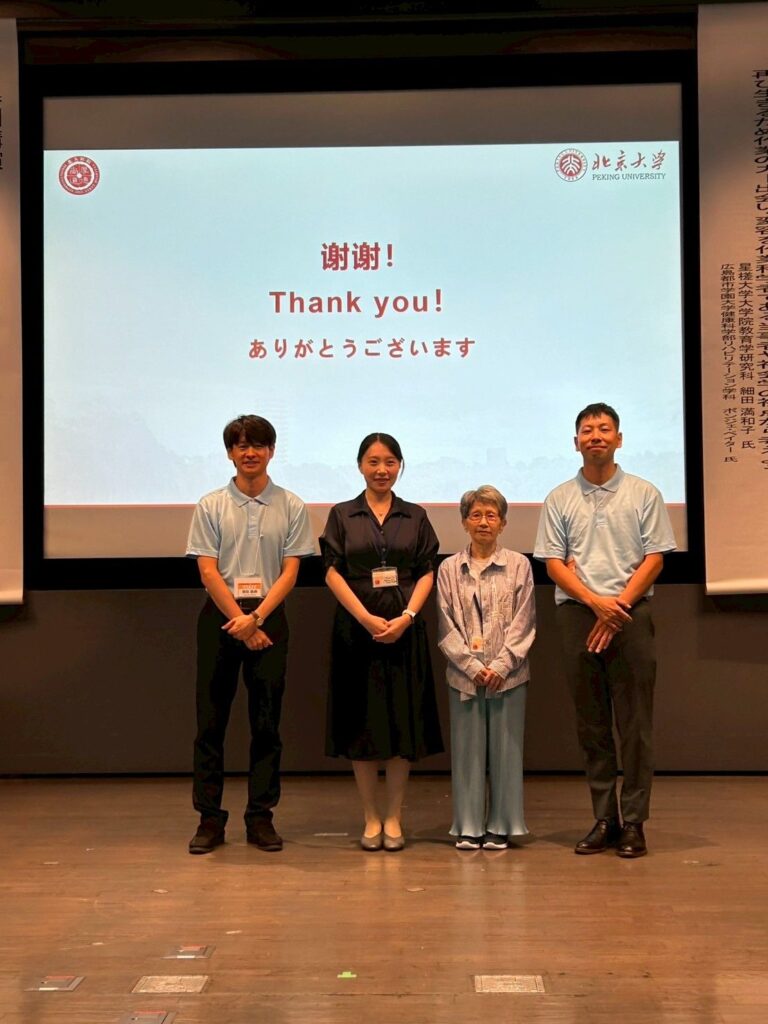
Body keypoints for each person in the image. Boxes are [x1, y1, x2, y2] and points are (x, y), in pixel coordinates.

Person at [534, 402, 676, 858]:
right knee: (591, 724)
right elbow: (553, 564)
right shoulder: (559, 498)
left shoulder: (644, 493)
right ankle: (604, 818)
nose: (595, 436)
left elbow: (655, 557)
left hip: (631, 614)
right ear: (575, 442)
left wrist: (618, 607)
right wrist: (596, 604)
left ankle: (634, 822)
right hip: (578, 615)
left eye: (604, 428)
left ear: (619, 438)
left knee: (635, 725)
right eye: (587, 430)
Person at [186, 415, 315, 854]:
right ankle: (209, 820)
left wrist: (256, 618)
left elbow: (291, 572)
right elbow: (208, 571)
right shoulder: (210, 505)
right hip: (221, 617)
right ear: (229, 453)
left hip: (268, 616)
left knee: (266, 724)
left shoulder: (292, 505)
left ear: (271, 451)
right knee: (210, 724)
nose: (250, 452)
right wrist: (240, 623)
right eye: (241, 445)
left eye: (258, 445)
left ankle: (260, 817)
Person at [320, 433, 443, 851]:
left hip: (404, 633)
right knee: (363, 724)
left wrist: (407, 617)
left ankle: (394, 817)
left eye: (390, 462)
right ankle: (370, 817)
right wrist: (365, 617)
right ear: (360, 466)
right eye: (373, 461)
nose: (381, 470)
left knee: (401, 724)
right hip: (357, 633)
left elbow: (427, 571)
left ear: (399, 466)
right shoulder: (342, 514)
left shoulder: (415, 515)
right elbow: (332, 571)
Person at [437, 486, 535, 851]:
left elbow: (525, 621)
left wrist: (501, 665)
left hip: (509, 676)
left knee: (507, 752)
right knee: (467, 753)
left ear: (503, 523)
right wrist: (471, 665)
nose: (483, 522)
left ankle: (502, 825)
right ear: (464, 522)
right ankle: (469, 825)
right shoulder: (448, 569)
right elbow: (445, 623)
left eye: (491, 515)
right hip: (464, 677)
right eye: (476, 515)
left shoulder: (519, 565)